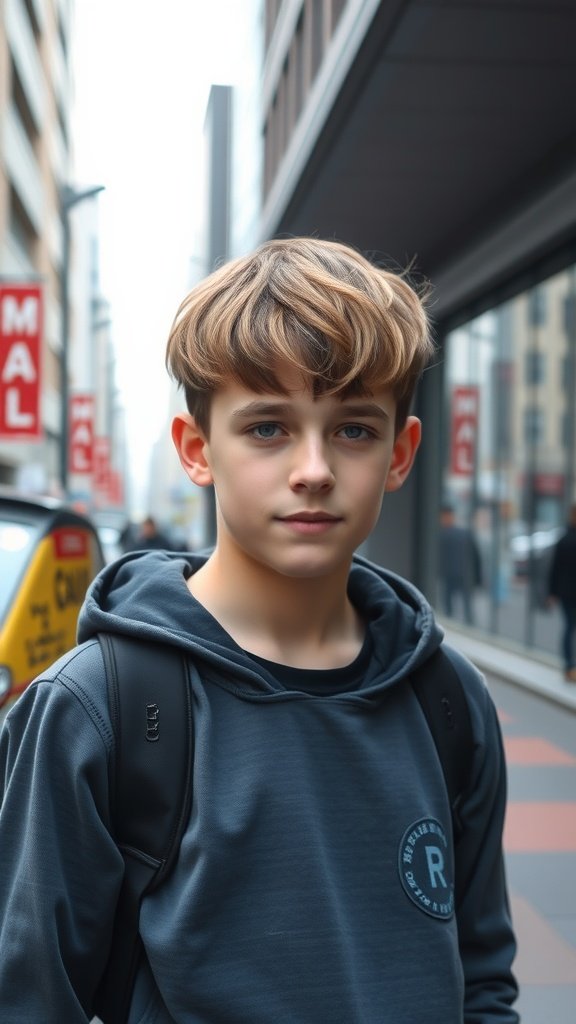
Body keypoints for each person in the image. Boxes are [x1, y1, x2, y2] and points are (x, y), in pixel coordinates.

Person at [0, 238, 518, 1022]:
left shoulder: (448, 701)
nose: (313, 468)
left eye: (353, 430)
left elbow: (481, 978)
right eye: (269, 429)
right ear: (197, 449)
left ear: (401, 453)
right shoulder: (98, 710)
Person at [438, 504, 482, 624]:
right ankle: (468, 625)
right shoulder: (463, 533)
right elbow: (476, 557)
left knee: (452, 607)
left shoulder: (441, 534)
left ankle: (465, 625)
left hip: (456, 574)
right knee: (463, 605)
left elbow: (475, 557)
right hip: (460, 574)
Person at [548, 503, 576, 682]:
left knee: (569, 628)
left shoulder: (563, 538)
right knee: (569, 628)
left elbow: (554, 569)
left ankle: (569, 667)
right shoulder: (564, 539)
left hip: (566, 593)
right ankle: (569, 666)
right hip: (568, 593)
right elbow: (555, 569)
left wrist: (552, 592)